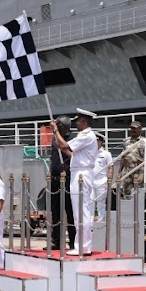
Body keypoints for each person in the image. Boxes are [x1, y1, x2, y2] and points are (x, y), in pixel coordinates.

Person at [51, 108, 98, 256]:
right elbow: (68, 150)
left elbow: (65, 146)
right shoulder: (85, 136)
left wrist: (55, 131)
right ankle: (82, 245)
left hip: (82, 174)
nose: (76, 123)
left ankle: (83, 246)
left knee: (81, 211)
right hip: (79, 172)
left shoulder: (86, 135)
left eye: (78, 120)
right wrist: (57, 137)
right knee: (80, 211)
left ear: (84, 121)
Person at [45, 115, 76, 251]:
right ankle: (56, 241)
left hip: (68, 179)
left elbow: (75, 155)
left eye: (56, 124)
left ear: (61, 126)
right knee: (55, 212)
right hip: (55, 180)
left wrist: (69, 166)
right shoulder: (54, 138)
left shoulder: (73, 138)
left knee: (70, 212)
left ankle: (74, 242)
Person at [118, 121, 146, 198]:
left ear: (140, 129)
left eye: (134, 128)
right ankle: (129, 209)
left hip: (139, 171)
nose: (132, 130)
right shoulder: (126, 141)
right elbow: (123, 157)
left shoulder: (145, 142)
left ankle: (139, 209)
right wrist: (119, 172)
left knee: (139, 193)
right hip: (128, 171)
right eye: (131, 128)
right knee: (127, 192)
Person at [93, 133, 113, 221]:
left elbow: (111, 168)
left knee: (101, 203)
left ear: (100, 142)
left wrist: (109, 182)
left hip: (102, 181)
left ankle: (101, 221)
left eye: (96, 141)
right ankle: (90, 223)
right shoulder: (89, 153)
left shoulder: (106, 154)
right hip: (90, 180)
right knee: (89, 203)